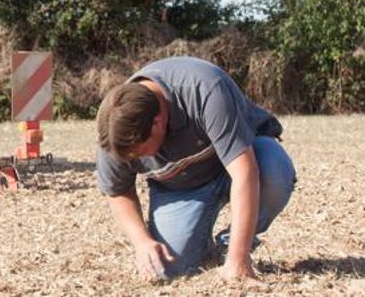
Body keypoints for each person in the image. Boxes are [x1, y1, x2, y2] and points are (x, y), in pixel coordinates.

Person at [95, 56, 296, 280]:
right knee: (171, 267)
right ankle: (211, 252)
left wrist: (238, 259)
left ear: (157, 121)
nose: (140, 159)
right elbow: (118, 191)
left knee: (275, 172)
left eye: (141, 151)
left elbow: (244, 172)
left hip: (246, 158)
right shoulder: (114, 127)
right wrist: (142, 241)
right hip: (182, 186)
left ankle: (233, 245)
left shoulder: (205, 89)